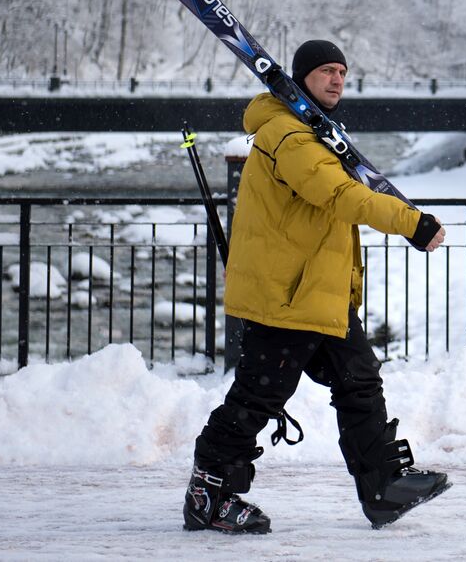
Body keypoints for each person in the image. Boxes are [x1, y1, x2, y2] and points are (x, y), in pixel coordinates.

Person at [183, 39, 450, 535]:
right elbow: (345, 197)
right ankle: (209, 493)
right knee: (257, 397)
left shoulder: (314, 133)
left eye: (342, 73)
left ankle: (383, 487)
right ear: (300, 78)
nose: (336, 80)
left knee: (360, 384)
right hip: (287, 296)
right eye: (326, 71)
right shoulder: (291, 137)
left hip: (318, 294)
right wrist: (411, 222)